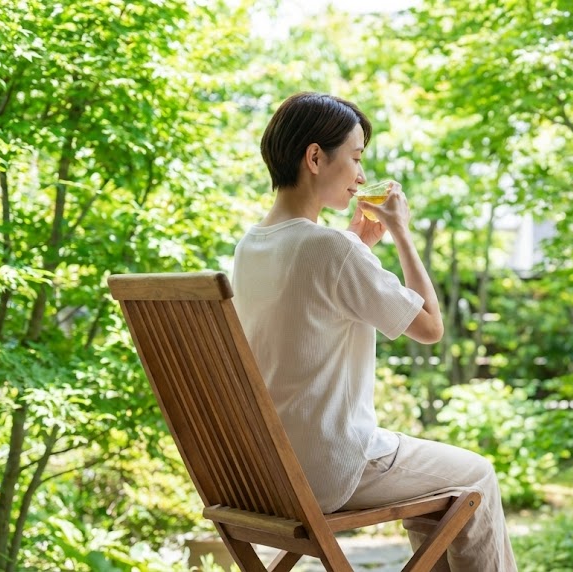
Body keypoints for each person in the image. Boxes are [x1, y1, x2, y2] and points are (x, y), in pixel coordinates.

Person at [231, 92, 517, 571]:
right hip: (328, 467)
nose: (362, 176)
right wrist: (401, 232)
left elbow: (316, 299)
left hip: (265, 473)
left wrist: (359, 245)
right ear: (316, 157)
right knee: (477, 477)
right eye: (357, 157)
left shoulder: (252, 245)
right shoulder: (330, 249)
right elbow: (429, 326)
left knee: (442, 496)